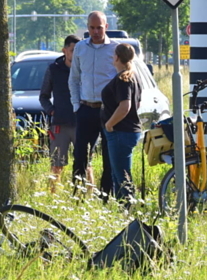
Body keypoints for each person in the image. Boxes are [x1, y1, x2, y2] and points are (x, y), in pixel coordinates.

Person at [69, 11, 117, 195]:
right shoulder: (80, 48)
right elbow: (74, 78)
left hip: (108, 111)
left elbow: (124, 77)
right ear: (87, 27)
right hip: (85, 108)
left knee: (108, 155)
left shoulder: (115, 48)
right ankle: (77, 195)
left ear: (106, 26)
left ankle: (106, 195)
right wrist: (76, 106)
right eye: (92, 27)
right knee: (80, 154)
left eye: (99, 27)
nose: (95, 31)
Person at [101, 43, 143, 203]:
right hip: (128, 131)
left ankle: (128, 207)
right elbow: (137, 104)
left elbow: (126, 105)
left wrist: (110, 124)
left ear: (117, 57)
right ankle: (122, 208)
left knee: (121, 175)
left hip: (120, 131)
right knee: (118, 173)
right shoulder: (134, 76)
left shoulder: (123, 78)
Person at [40, 34, 80, 192]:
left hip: (80, 124)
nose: (75, 54)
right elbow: (43, 96)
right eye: (72, 50)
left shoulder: (84, 70)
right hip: (59, 125)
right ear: (65, 50)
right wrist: (51, 110)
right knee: (57, 165)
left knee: (85, 164)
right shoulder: (53, 69)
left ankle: (86, 196)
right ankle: (53, 196)